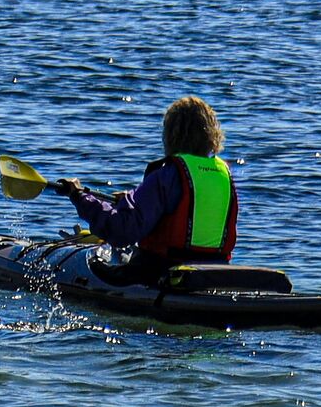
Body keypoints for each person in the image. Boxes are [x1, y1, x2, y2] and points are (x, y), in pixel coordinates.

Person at [61, 97, 237, 285]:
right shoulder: (224, 174)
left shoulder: (167, 175)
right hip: (214, 273)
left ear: (172, 135)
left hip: (162, 273)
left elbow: (122, 231)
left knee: (94, 266)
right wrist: (131, 199)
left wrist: (80, 197)